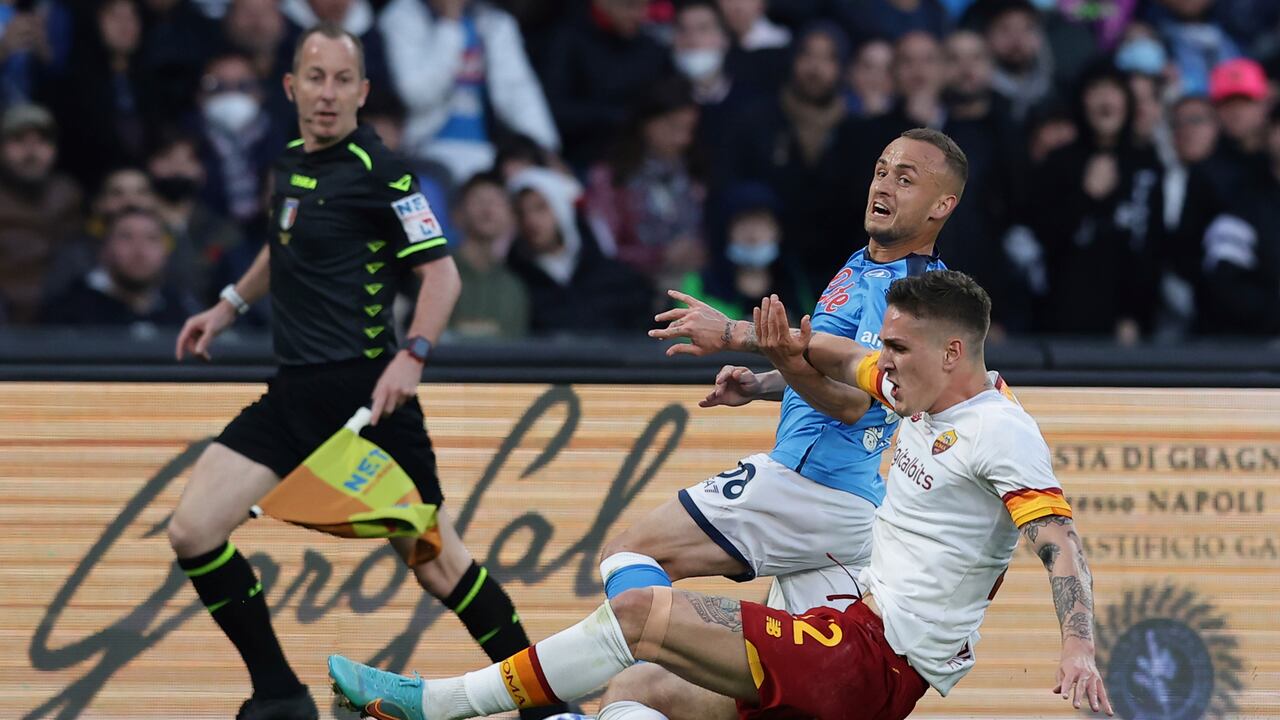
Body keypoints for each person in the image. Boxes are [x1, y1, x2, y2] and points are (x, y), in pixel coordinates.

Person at [326, 270, 1113, 720]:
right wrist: (743, 345)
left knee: (642, 612)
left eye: (899, 349)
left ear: (953, 351)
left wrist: (1078, 644)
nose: (886, 365)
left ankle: (435, 705)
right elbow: (837, 357)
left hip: (874, 664)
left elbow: (1059, 543)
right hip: (852, 633)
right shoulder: (920, 381)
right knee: (639, 686)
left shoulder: (999, 431)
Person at [168, 24, 569, 719]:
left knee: (441, 567)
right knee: (193, 531)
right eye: (315, 77)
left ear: (362, 90)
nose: (327, 93)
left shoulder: (382, 172)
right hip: (293, 395)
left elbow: (441, 275)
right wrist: (229, 305)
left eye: (341, 79)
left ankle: (545, 705)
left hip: (368, 400)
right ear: (291, 87)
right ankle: (280, 695)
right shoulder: (288, 162)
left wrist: (412, 356)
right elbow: (283, 246)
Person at [590, 129, 958, 718]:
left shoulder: (906, 293)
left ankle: (640, 643)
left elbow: (852, 404)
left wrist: (754, 343)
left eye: (905, 179)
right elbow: (828, 368)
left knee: (628, 555)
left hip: (810, 482)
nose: (884, 186)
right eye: (881, 170)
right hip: (852, 511)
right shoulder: (866, 265)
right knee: (755, 698)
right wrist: (763, 384)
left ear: (942, 205)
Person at [377, 0, 559, 183]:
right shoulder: (402, 15)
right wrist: (450, 24)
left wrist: (544, 149)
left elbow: (518, 92)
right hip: (425, 149)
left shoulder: (493, 20)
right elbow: (417, 95)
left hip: (488, 153)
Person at [584, 75, 707, 292]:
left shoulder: (693, 171)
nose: (682, 139)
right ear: (647, 123)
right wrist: (660, 255)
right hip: (632, 289)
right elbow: (607, 248)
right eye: (673, 127)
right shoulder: (610, 178)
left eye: (689, 129)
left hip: (698, 286)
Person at [506, 166, 652, 336]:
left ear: (561, 208)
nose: (530, 220)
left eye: (540, 207)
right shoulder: (514, 280)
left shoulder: (615, 276)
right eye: (521, 212)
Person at [540, 0, 671, 170]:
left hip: (641, 162)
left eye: (644, 6)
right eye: (629, 6)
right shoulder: (568, 40)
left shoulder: (653, 48)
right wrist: (616, 116)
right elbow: (554, 109)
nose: (639, 15)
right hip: (581, 158)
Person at [42, 206, 198, 329]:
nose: (140, 251)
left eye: (151, 238)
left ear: (166, 252)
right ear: (104, 250)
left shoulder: (183, 310)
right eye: (126, 237)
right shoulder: (69, 312)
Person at [0, 102, 80, 325]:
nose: (31, 152)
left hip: (60, 315)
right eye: (18, 141)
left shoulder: (67, 193)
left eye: (42, 142)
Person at [447, 171, 529, 339]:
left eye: (497, 202)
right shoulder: (437, 273)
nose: (488, 210)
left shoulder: (514, 286)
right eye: (479, 201)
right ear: (458, 214)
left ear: (511, 217)